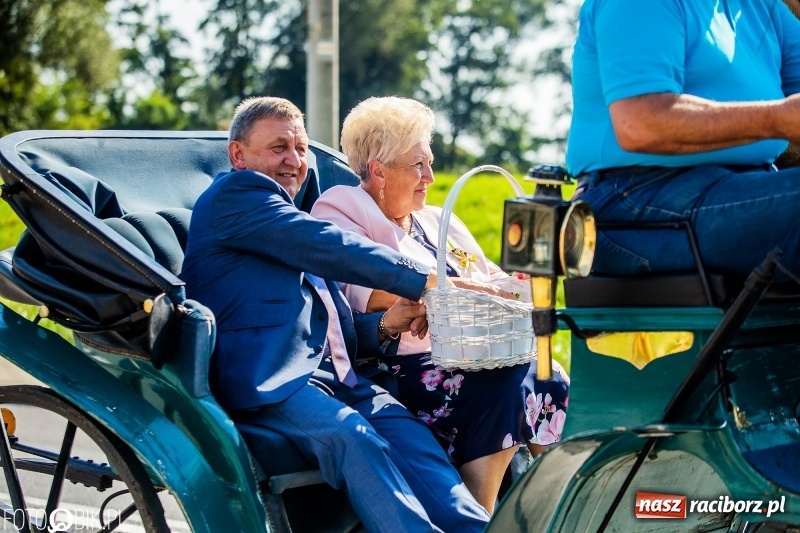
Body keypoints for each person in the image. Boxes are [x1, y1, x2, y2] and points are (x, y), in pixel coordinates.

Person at [180, 96, 491, 533]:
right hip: (273, 382)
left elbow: (329, 327)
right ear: (238, 154)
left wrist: (386, 324)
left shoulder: (286, 214)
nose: (294, 160)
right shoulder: (236, 195)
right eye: (279, 148)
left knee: (414, 442)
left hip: (342, 381)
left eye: (302, 148)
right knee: (355, 439)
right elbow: (332, 246)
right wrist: (425, 280)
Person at [310, 96, 570, 513]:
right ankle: (480, 516)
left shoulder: (436, 219)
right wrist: (467, 291)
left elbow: (489, 278)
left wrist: (515, 284)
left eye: (428, 163)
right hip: (399, 366)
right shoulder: (341, 209)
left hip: (474, 351)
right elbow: (368, 293)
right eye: (418, 165)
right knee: (503, 381)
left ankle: (556, 508)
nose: (430, 176)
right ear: (378, 170)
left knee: (547, 372)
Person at [566, 0, 800, 279]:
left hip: (741, 185)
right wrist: (776, 118)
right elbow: (641, 124)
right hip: (633, 201)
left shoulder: (760, 6)